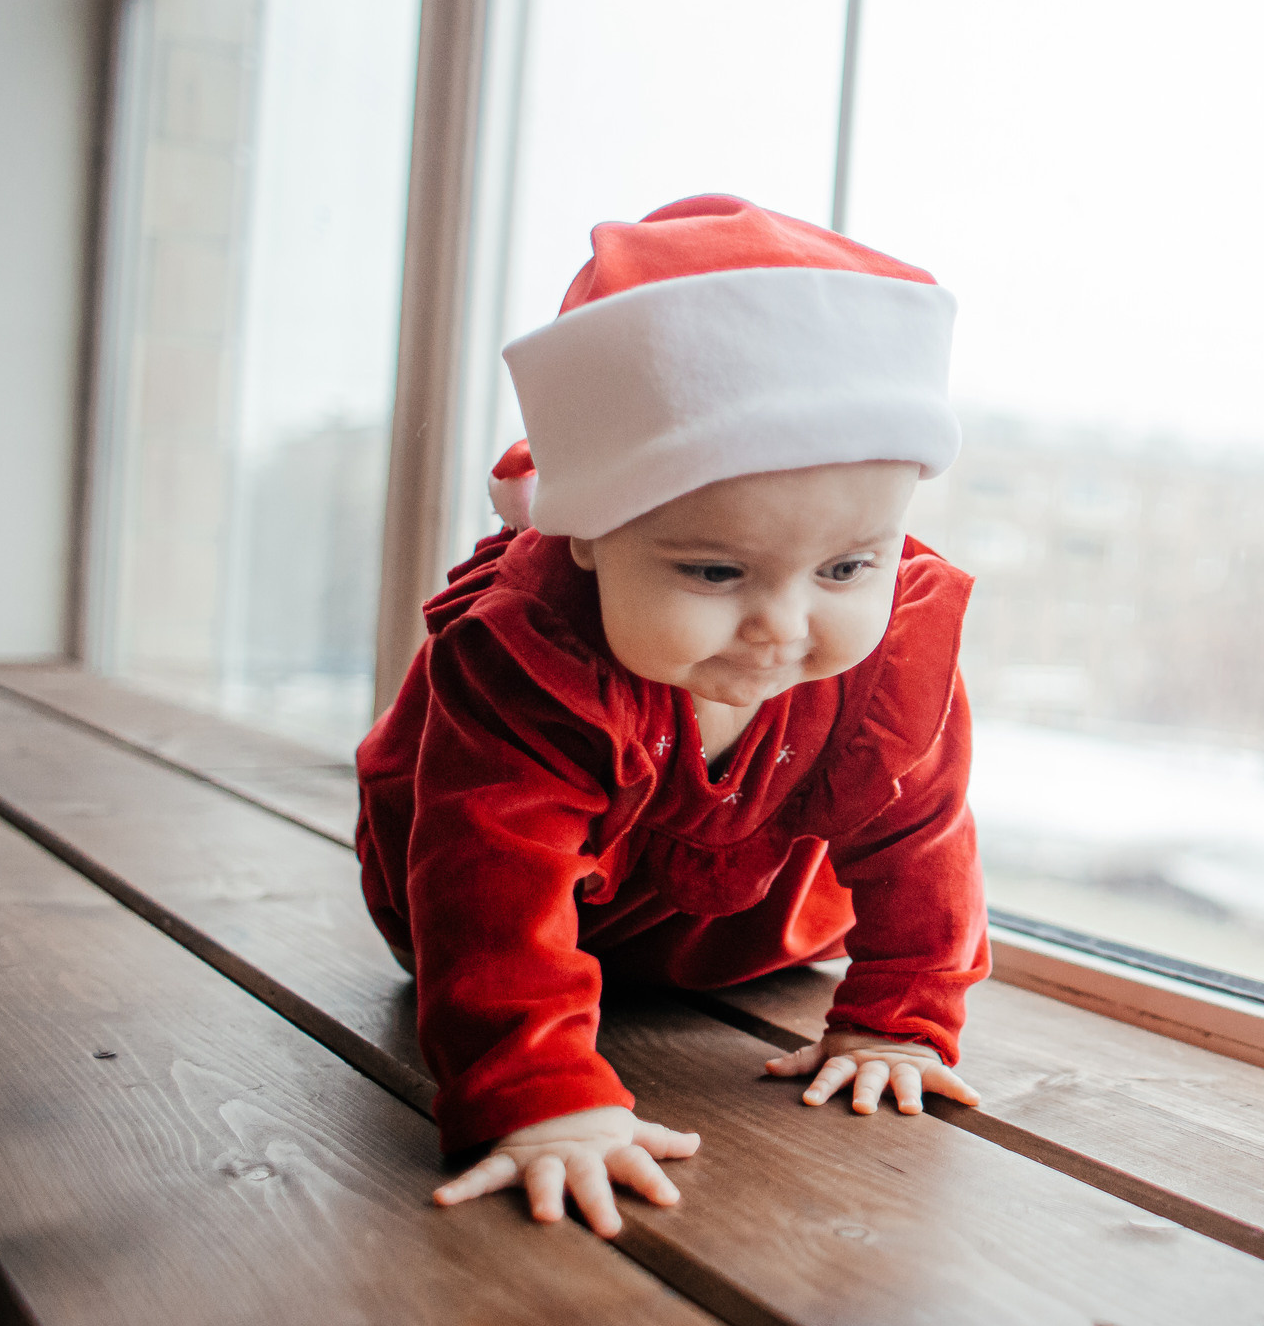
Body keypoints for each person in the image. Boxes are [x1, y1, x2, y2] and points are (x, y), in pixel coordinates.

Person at [356, 193, 988, 1239]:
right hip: (499, 937)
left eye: (845, 567)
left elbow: (925, 845)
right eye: (715, 570)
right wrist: (541, 1096)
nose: (781, 626)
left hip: (753, 939)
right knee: (487, 882)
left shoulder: (891, 662)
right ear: (591, 533)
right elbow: (488, 877)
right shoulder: (533, 657)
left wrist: (901, 1022)